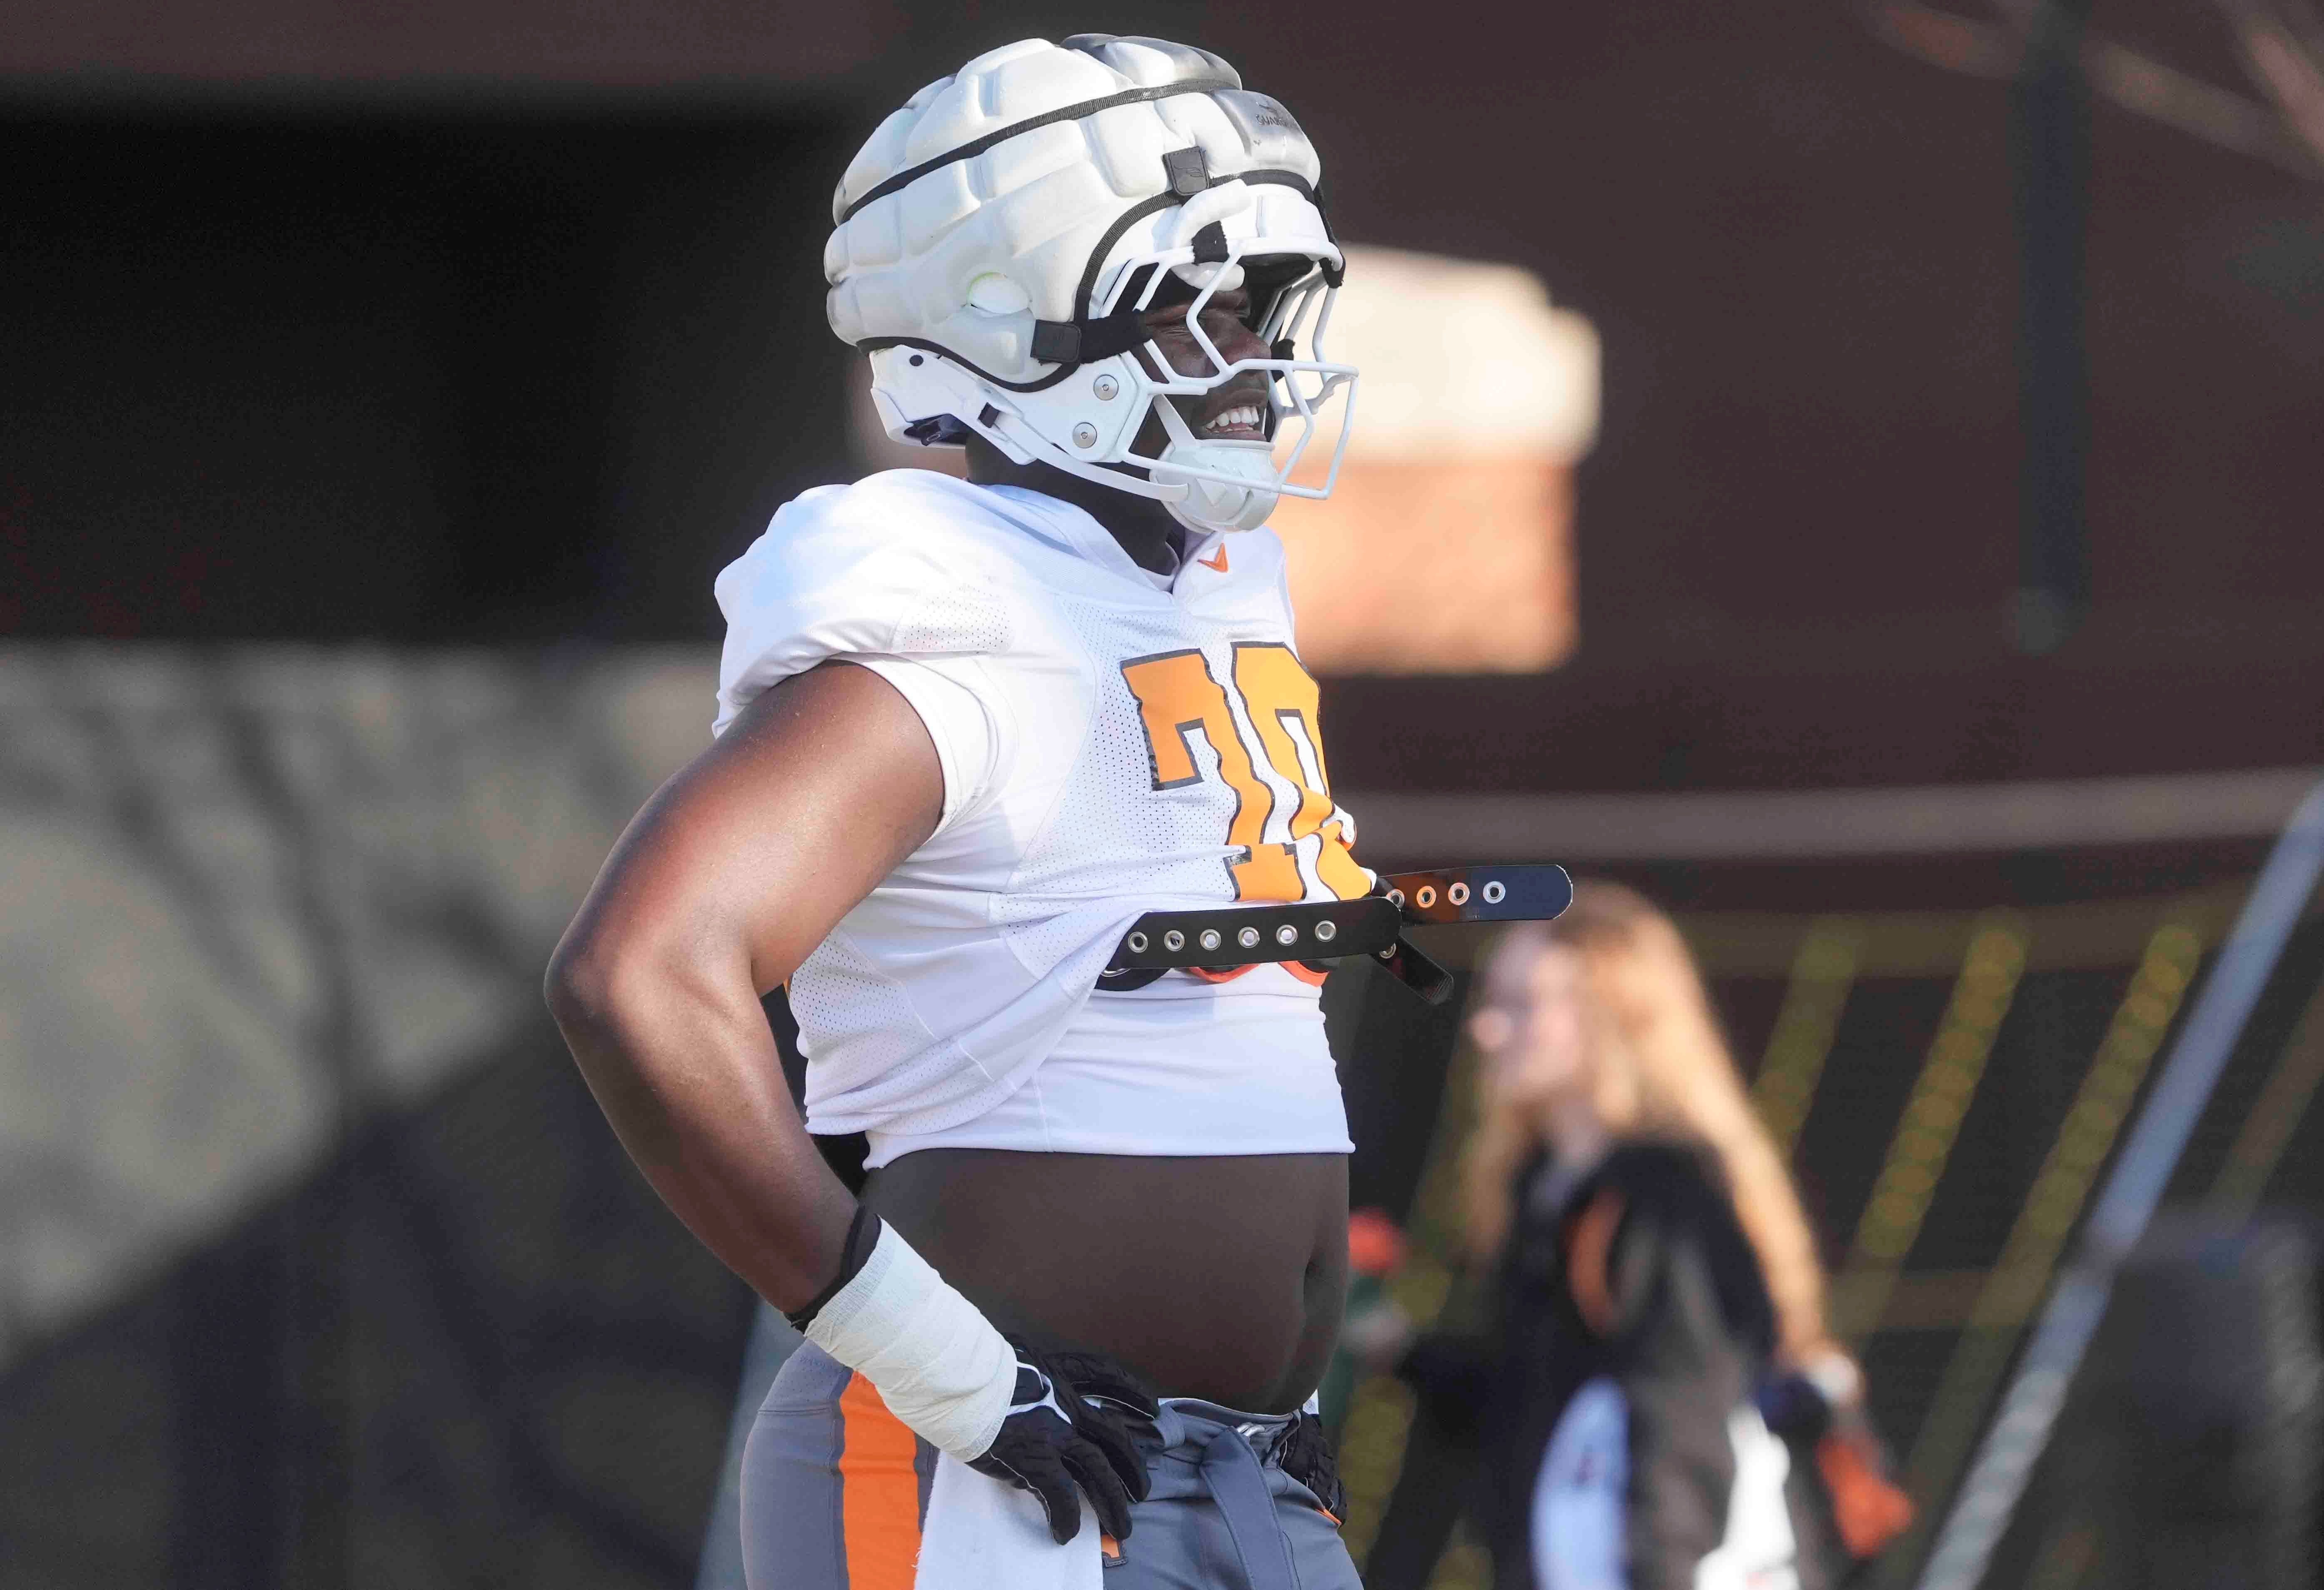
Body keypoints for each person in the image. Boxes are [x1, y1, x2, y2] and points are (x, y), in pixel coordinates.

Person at [546, 34, 1378, 1590]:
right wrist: (945, 1368)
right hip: (991, 1480)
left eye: (1267, 310)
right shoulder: (954, 601)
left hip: (1247, 1470)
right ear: (1009, 334)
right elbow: (640, 975)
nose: (1260, 359)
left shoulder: (1205, 588)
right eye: (1204, 310)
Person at [1362, 884, 1908, 1590]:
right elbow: (1537, 1406)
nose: (1488, 1029)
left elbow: (1683, 1425)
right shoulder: (1545, 1191)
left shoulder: (1663, 1200)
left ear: (1612, 1016)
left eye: (1523, 1005)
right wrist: (1402, 1351)